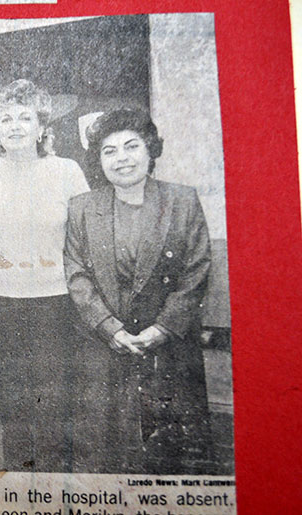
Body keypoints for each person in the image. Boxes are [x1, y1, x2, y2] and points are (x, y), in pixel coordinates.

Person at [64, 108, 213, 473]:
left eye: (131, 147)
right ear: (98, 161)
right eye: (109, 151)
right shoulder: (82, 208)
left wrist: (161, 329)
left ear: (150, 150)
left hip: (168, 349)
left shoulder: (182, 201)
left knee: (169, 457)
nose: (122, 159)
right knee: (105, 452)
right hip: (106, 348)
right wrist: (110, 328)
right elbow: (77, 274)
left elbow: (196, 271)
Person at [0, 79, 90, 472]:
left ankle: (58, 493)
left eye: (25, 118)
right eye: (6, 119)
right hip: (3, 307)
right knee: (14, 412)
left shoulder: (66, 171)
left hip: (58, 307)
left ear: (42, 127)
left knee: (57, 414)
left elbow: (84, 241)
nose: (15, 126)